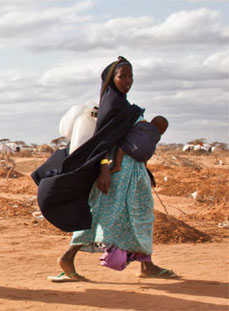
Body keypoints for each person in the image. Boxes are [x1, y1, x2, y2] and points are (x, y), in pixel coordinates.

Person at [49, 57, 177, 282]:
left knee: (141, 214)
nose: (128, 81)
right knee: (101, 215)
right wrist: (105, 170)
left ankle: (147, 265)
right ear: (111, 79)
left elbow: (130, 141)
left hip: (133, 172)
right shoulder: (112, 105)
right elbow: (103, 142)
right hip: (116, 173)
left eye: (130, 76)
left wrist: (144, 170)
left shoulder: (124, 106)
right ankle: (67, 257)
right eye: (122, 76)